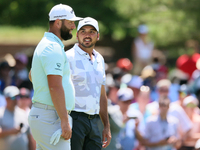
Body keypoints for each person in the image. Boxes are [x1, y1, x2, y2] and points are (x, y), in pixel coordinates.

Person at [28, 4, 82, 150]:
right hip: (50, 117)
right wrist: (64, 120)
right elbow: (54, 86)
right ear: (58, 22)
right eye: (70, 22)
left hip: (47, 115)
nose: (73, 26)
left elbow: (32, 75)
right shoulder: (52, 47)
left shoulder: (48, 45)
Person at [65, 17, 111, 150]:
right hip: (74, 119)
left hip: (95, 121)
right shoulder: (68, 57)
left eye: (91, 32)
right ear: (77, 34)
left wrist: (106, 126)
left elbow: (102, 95)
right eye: (83, 31)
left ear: (98, 36)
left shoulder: (100, 59)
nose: (87, 35)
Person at [0, 86, 35, 150]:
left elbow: (29, 137)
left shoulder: (23, 113)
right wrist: (11, 132)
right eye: (13, 97)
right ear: (6, 99)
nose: (16, 99)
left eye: (18, 97)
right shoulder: (0, 113)